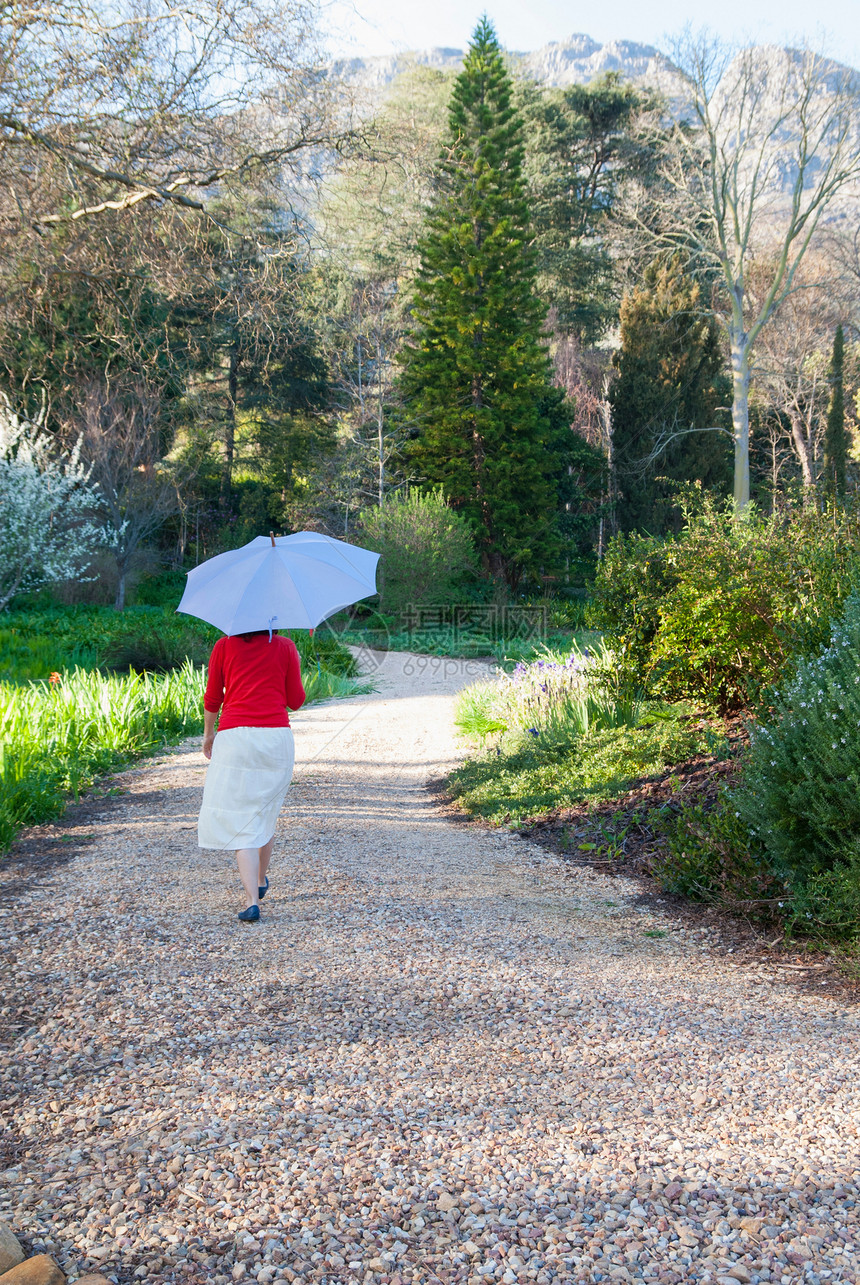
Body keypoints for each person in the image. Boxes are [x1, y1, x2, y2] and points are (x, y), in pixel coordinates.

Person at [198, 628, 305, 922]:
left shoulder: (223, 646)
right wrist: (294, 662)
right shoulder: (285, 647)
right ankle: (260, 879)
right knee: (265, 811)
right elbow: (296, 700)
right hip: (275, 739)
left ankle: (251, 899)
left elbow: (212, 698)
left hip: (234, 738)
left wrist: (209, 736)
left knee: (240, 817)